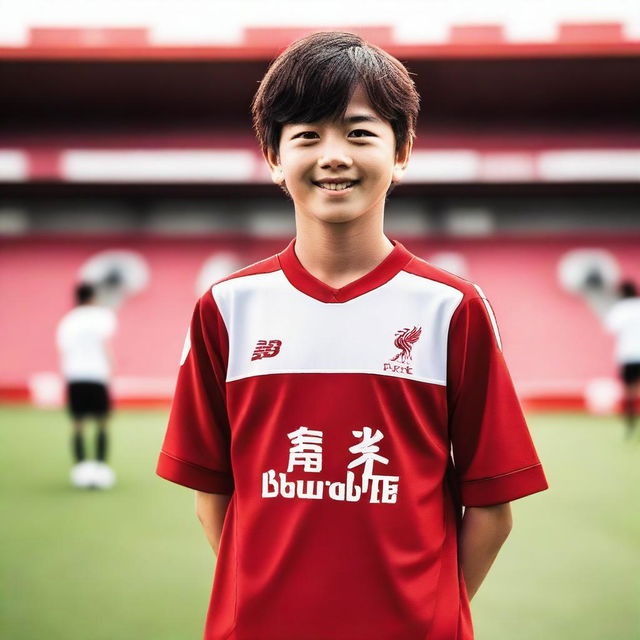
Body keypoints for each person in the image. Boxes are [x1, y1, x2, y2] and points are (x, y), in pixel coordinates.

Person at [156, 32, 548, 640]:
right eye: (307, 135)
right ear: (273, 158)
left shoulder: (452, 308)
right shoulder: (227, 307)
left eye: (359, 132)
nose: (333, 155)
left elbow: (493, 508)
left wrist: (427, 612)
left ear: (402, 151)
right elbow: (214, 495)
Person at [57, 282, 117, 489]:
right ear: (92, 297)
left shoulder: (67, 321)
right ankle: (100, 466)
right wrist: (111, 366)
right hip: (97, 376)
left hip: (75, 376)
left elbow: (64, 351)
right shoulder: (102, 317)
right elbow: (105, 344)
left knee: (77, 424)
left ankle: (81, 467)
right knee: (102, 422)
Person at [605, 280, 640, 439]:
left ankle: (630, 427)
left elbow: (612, 329)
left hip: (627, 356)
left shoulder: (619, 310)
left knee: (629, 393)